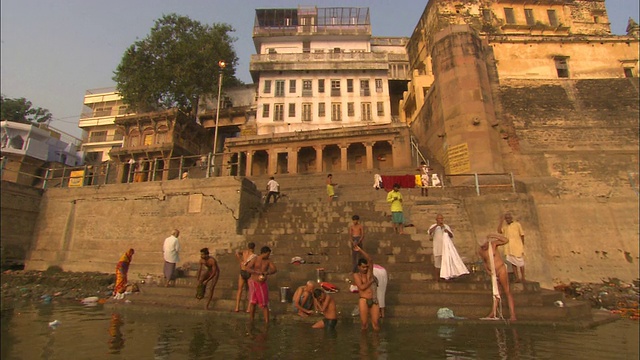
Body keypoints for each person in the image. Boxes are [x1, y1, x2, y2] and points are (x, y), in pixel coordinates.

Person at [478, 234, 516, 321]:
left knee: (507, 291)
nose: (484, 248)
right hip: (493, 273)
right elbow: (484, 261)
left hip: (501, 269)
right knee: (496, 293)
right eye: (482, 247)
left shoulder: (493, 244)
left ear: (487, 243)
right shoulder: (480, 251)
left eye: (485, 246)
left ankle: (513, 315)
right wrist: (487, 270)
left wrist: (494, 235)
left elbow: (506, 240)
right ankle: (493, 312)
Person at [428, 214, 468, 281]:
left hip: (446, 249)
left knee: (446, 263)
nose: (440, 220)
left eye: (441, 219)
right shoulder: (433, 226)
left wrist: (447, 231)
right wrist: (437, 226)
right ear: (436, 219)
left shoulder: (446, 226)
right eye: (439, 219)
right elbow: (430, 232)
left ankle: (446, 277)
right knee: (437, 264)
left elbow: (451, 235)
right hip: (437, 248)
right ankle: (437, 279)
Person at [247, 246, 278, 324]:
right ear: (264, 253)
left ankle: (267, 322)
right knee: (253, 302)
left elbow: (274, 269)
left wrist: (267, 273)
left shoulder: (268, 261)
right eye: (268, 254)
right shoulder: (255, 259)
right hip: (253, 282)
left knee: (264, 304)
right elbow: (247, 268)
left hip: (262, 283)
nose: (268, 255)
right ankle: (251, 320)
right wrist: (256, 272)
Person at [352, 245, 380, 331]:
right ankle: (364, 343)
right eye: (363, 267)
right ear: (359, 267)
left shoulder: (369, 273)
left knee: (375, 324)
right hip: (363, 300)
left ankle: (376, 343)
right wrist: (370, 282)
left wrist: (360, 250)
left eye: (366, 267)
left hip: (374, 299)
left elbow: (370, 260)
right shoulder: (356, 275)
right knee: (364, 324)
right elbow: (361, 287)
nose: (365, 269)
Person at [497, 212, 526, 283]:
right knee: (513, 263)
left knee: (521, 263)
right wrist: (501, 221)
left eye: (508, 218)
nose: (507, 220)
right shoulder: (505, 227)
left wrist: (522, 245)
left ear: (511, 218)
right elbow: (499, 231)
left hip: (517, 246)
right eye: (506, 218)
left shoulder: (517, 224)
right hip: (509, 247)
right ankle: (517, 278)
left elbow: (522, 235)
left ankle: (523, 277)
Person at [234, 242, 257, 312]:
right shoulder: (254, 256)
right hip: (249, 273)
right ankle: (248, 308)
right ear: (254, 248)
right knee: (251, 291)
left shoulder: (244, 252)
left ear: (248, 247)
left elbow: (237, 253)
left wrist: (241, 261)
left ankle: (237, 307)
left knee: (239, 290)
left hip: (242, 271)